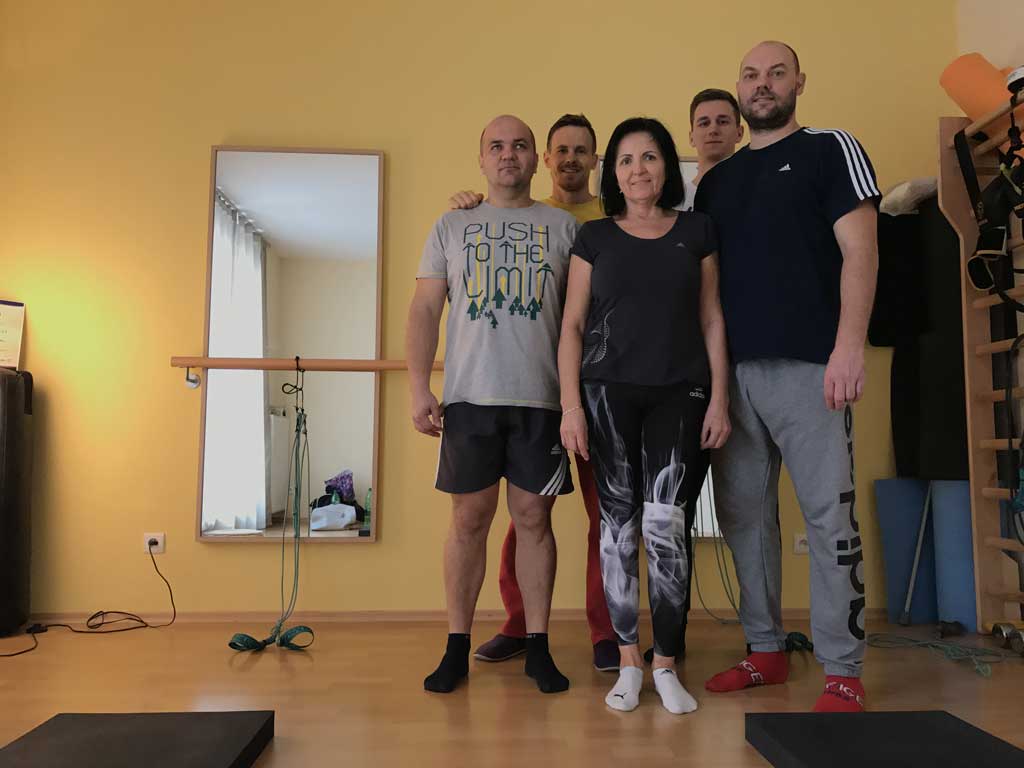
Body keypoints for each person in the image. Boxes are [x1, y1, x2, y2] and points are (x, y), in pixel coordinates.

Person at [695, 41, 879, 713]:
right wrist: (712, 385)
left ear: (799, 81)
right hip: (733, 378)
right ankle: (765, 650)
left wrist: (848, 348)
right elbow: (708, 292)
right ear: (739, 88)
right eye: (751, 75)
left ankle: (842, 670)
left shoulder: (833, 150)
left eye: (776, 73)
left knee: (830, 519)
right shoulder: (717, 183)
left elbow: (862, 250)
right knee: (745, 521)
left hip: (812, 369)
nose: (763, 84)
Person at [558, 117, 730, 714]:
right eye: (626, 159)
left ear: (666, 167)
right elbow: (572, 325)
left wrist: (720, 398)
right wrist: (571, 406)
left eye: (650, 157)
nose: (638, 169)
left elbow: (712, 317)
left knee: (665, 526)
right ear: (613, 172)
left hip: (681, 393)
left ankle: (666, 663)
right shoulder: (594, 237)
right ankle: (629, 660)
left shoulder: (697, 231)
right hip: (606, 395)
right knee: (617, 530)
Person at [407, 114, 578, 694]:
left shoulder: (564, 228)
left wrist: (575, 402)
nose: (509, 154)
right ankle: (455, 646)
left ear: (537, 159)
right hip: (469, 399)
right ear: (481, 159)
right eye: (497, 146)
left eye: (520, 145)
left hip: (541, 401)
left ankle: (538, 647)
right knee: (468, 521)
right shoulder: (452, 224)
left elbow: (581, 320)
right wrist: (418, 387)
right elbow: (425, 309)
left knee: (534, 520)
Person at [451, 114, 619, 673]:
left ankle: (606, 632)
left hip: (597, 387)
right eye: (560, 149)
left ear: (595, 160)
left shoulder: (611, 221)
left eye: (581, 150)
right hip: (534, 391)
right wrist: (468, 204)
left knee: (606, 514)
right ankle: (519, 625)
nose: (570, 158)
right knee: (526, 515)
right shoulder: (514, 213)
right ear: (545, 159)